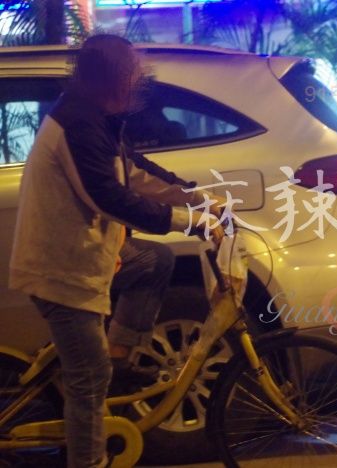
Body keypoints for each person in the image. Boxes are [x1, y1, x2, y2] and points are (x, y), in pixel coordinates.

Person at [9, 35, 223, 468]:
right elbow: (109, 197)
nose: (139, 81)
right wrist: (189, 221)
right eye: (134, 73)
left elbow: (135, 173)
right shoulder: (77, 124)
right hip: (60, 272)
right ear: (116, 78)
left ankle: (119, 354)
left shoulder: (95, 117)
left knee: (155, 261)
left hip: (86, 260)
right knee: (89, 379)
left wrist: (198, 199)